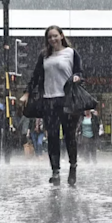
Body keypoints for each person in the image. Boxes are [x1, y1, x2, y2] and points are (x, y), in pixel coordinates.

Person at [20, 25, 83, 186]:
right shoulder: (44, 56)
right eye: (49, 37)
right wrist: (27, 93)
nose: (53, 39)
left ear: (61, 36)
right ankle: (55, 172)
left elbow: (79, 72)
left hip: (67, 100)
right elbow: (35, 76)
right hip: (49, 101)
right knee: (52, 137)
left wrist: (76, 77)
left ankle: (73, 167)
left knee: (70, 137)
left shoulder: (71, 53)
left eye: (55, 36)